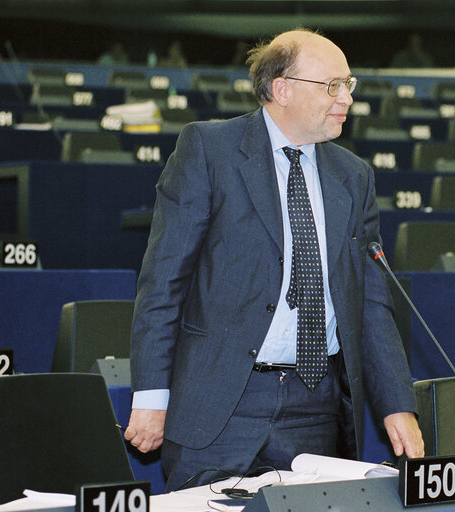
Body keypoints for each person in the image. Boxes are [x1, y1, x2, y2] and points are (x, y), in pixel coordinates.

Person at [124, 29, 424, 492]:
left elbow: (371, 305)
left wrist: (396, 403)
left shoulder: (354, 176)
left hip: (316, 407)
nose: (346, 98)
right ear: (281, 88)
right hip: (220, 404)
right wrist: (150, 396)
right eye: (332, 85)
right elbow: (163, 283)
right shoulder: (209, 150)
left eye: (349, 84)